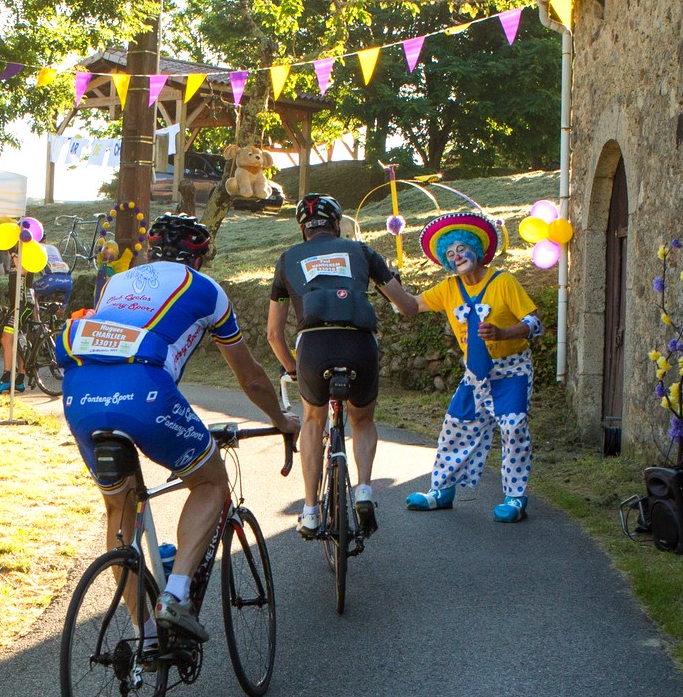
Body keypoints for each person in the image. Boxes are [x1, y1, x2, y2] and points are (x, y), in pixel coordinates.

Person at [56, 213, 296, 643]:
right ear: (200, 256)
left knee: (119, 511)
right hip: (144, 391)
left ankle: (143, 634)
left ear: (151, 249)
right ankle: (176, 594)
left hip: (78, 393)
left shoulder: (117, 282)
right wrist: (281, 421)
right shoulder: (206, 290)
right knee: (209, 482)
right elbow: (252, 378)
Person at [266, 194, 421, 538]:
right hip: (358, 343)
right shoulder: (362, 252)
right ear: (337, 224)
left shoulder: (287, 259)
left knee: (312, 419)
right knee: (362, 419)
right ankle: (364, 489)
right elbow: (408, 307)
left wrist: (292, 368)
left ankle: (309, 510)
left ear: (302, 228)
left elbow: (274, 334)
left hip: (314, 347)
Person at [406, 212, 542, 523]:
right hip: (475, 374)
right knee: (456, 425)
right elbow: (413, 305)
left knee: (513, 427)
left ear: (475, 249)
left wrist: (503, 333)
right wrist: (387, 285)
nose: (457, 257)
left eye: (461, 249)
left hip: (512, 370)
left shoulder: (503, 282)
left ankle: (515, 497)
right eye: (449, 254)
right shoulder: (449, 288)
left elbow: (535, 323)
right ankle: (442, 490)